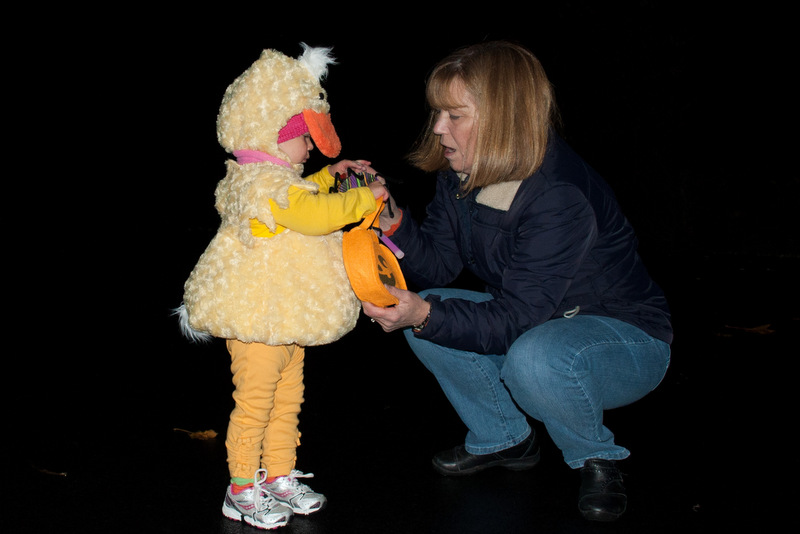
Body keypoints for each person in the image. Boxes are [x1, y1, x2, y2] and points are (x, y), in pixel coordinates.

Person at [362, 41, 672, 523]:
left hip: (624, 340)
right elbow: (440, 265)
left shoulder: (558, 194)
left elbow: (517, 319)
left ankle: (596, 456)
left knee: (523, 352)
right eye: (438, 113)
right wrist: (393, 221)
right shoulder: (463, 174)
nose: (439, 128)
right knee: (431, 309)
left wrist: (425, 315)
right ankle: (505, 438)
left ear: (502, 117)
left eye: (454, 115)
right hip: (539, 323)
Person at [177, 44, 387, 530]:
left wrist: (327, 175)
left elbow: (298, 194)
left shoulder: (272, 179)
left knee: (287, 401)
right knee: (255, 405)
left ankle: (278, 476)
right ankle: (240, 489)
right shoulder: (254, 183)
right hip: (256, 323)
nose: (310, 147)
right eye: (304, 138)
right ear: (275, 136)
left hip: (282, 318)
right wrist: (360, 199)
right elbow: (307, 213)